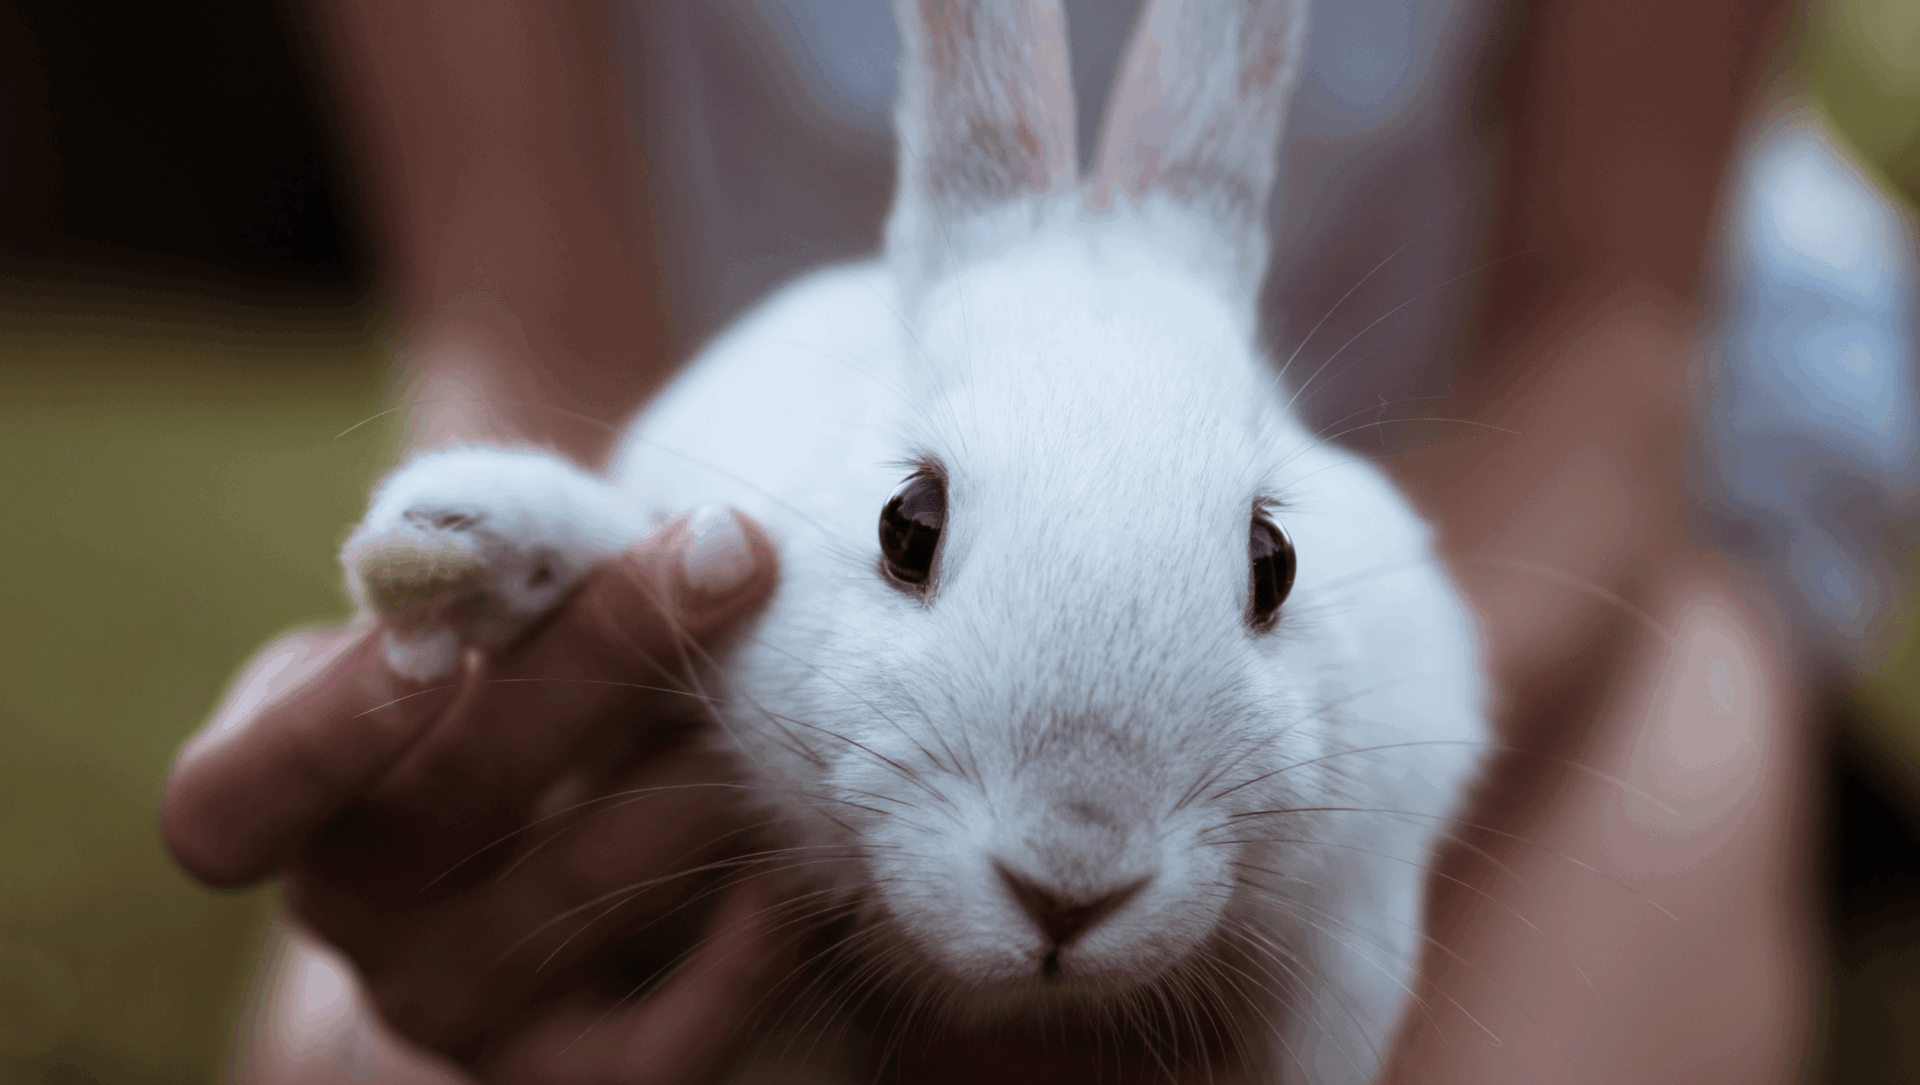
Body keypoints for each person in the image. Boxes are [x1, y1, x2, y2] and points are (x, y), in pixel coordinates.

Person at [161, 0, 1826, 1081]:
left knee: (1637, 834)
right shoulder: (797, 443)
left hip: (1495, 500)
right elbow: (542, 337)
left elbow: (1608, 331)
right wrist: (537, 666)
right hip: (781, 386)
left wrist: (1318, 857)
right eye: (911, 538)